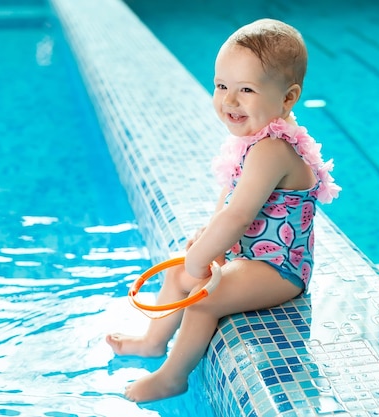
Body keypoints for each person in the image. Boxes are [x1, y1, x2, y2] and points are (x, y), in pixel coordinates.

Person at [106, 18, 340, 402]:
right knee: (179, 271)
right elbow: (230, 198)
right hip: (247, 255)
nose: (229, 101)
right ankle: (152, 341)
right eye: (221, 86)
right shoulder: (254, 139)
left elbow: (239, 216)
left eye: (246, 89)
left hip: (279, 269)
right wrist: (205, 240)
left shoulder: (272, 150)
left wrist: (205, 254)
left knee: (202, 297)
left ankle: (172, 377)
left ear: (287, 97)